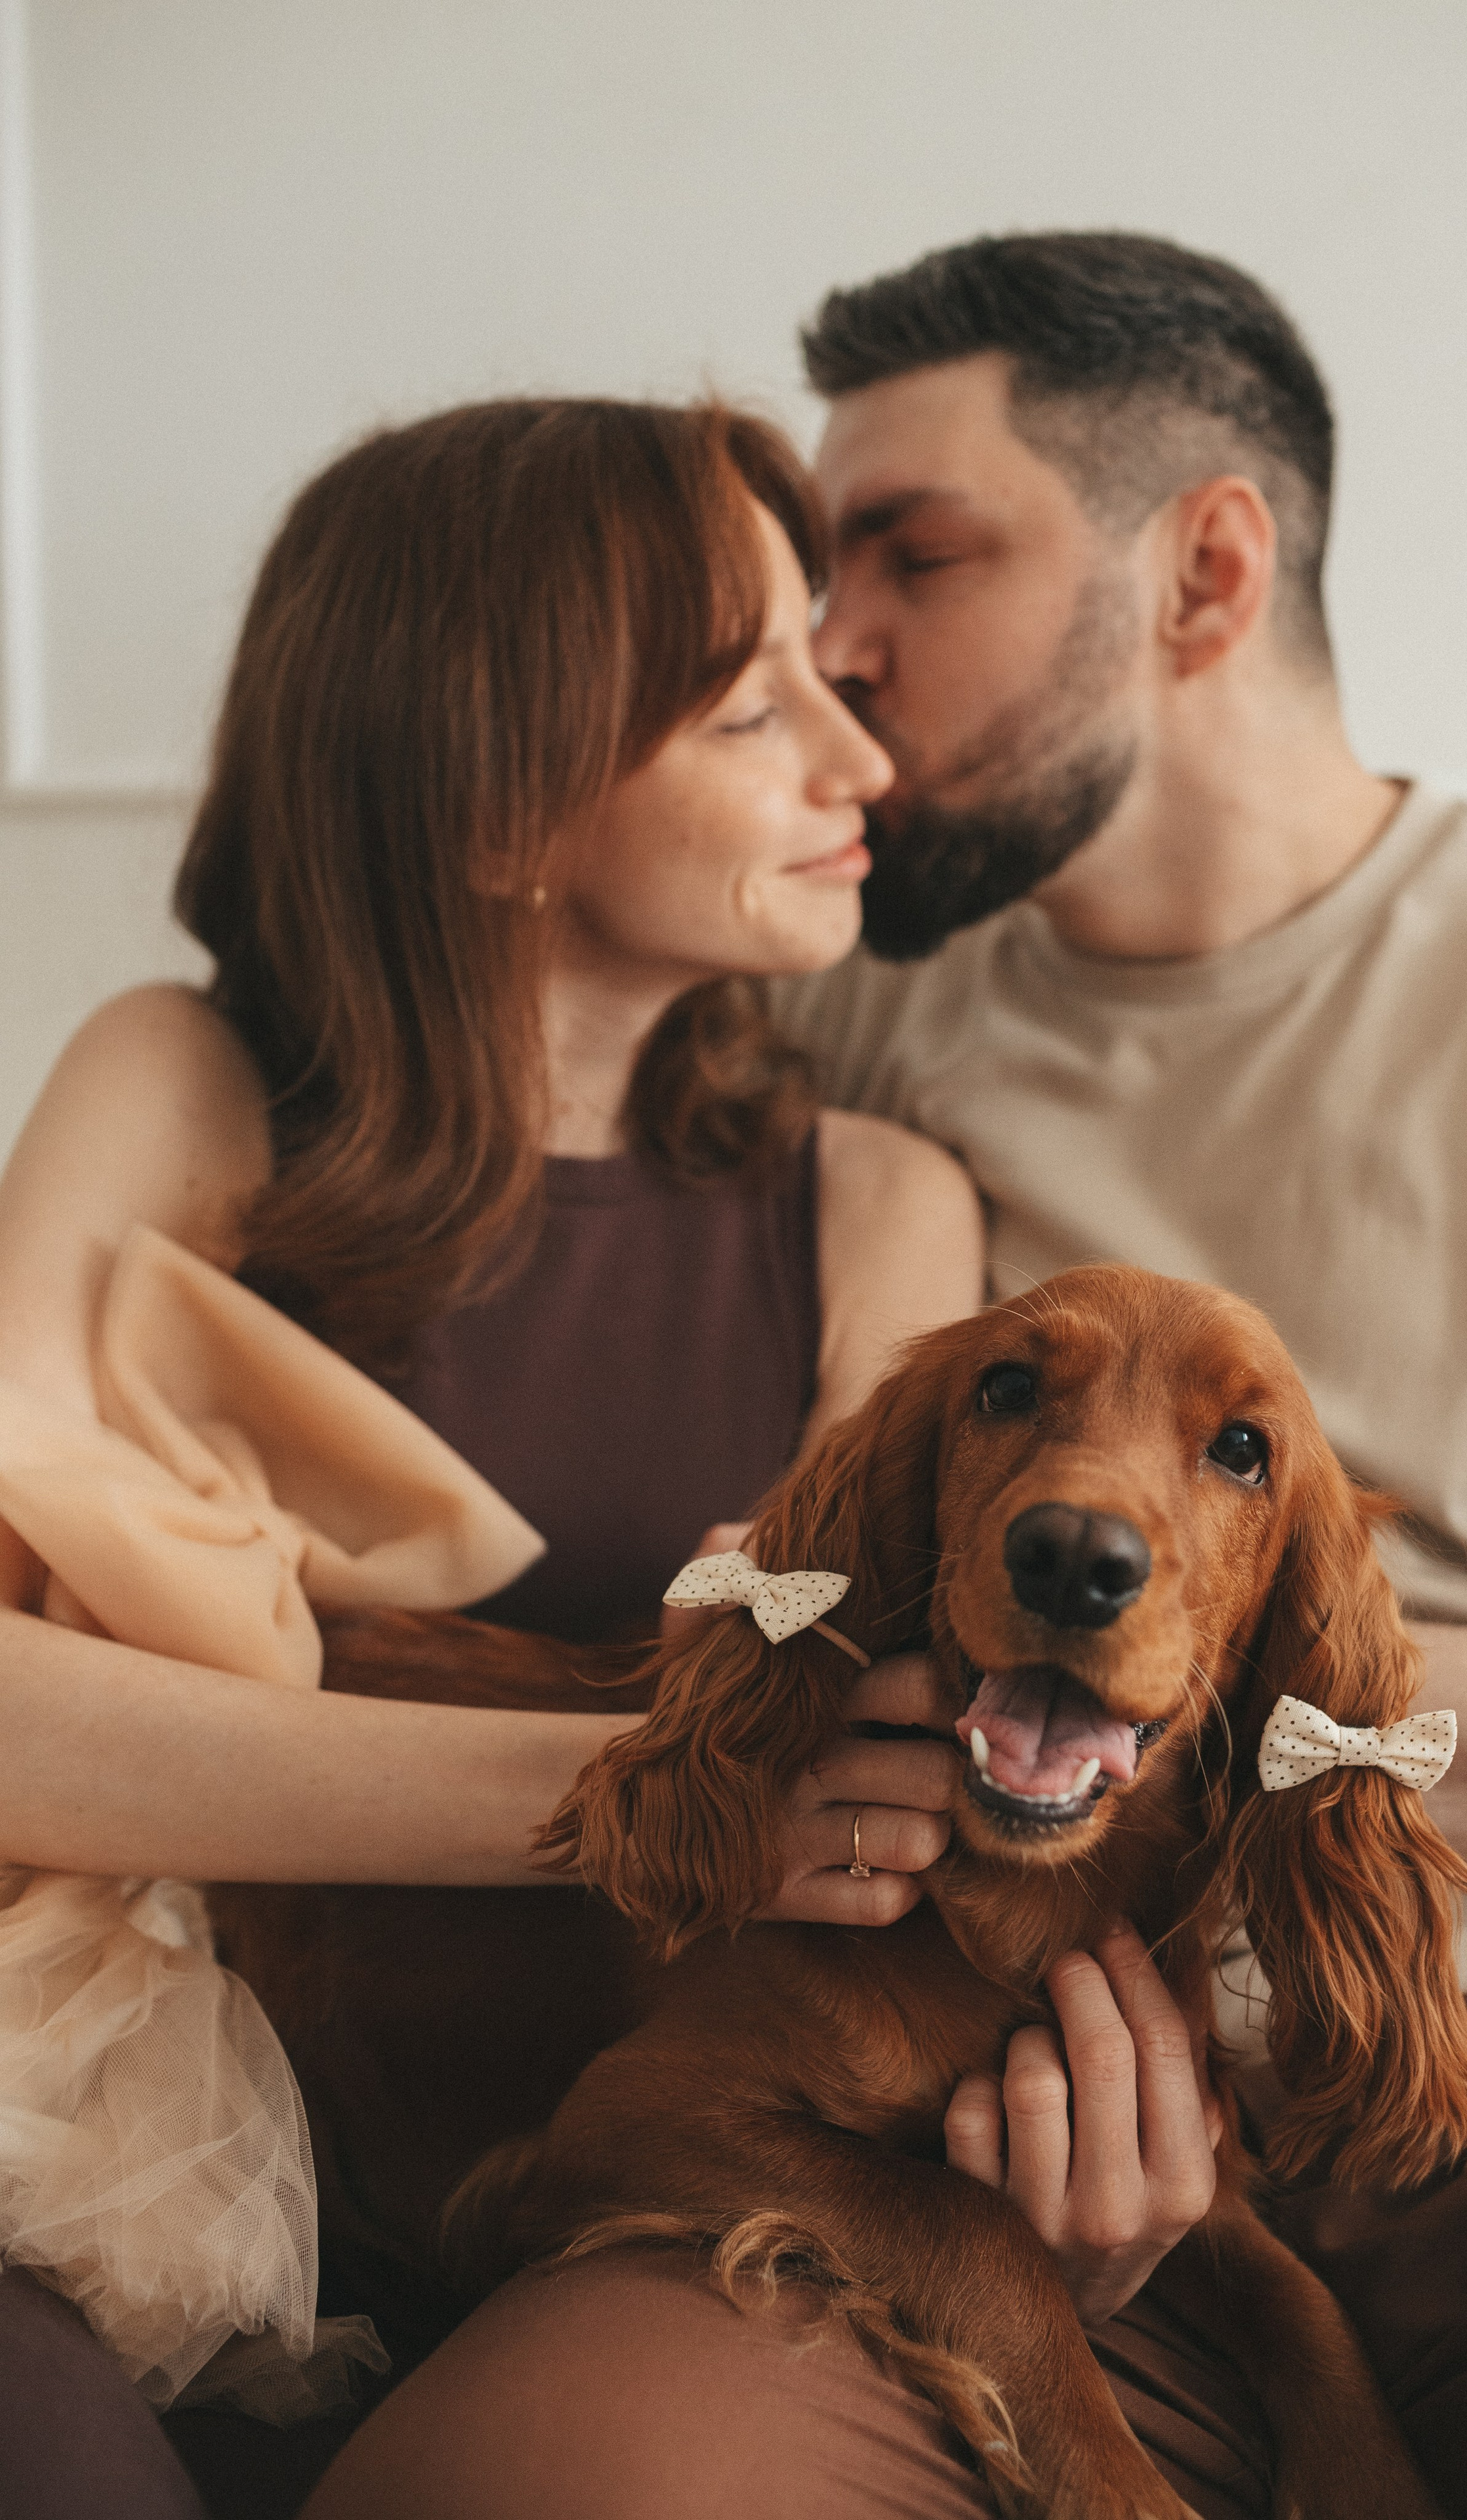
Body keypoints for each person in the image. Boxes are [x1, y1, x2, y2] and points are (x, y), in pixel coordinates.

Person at [0, 397, 1022, 2519]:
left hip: (638, 2176)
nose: (863, 765)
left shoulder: (879, 1203)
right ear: (500, 811)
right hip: (118, 2135)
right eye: (758, 711)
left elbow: (865, 1742)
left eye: (830, 687)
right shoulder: (186, 1088)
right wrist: (631, 1799)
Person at [754, 230, 1467, 2515]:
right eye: (812, 567)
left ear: (1206, 572)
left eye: (911, 552)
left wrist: (1221, 1695)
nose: (828, 646)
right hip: (975, 2092)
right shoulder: (835, 1004)